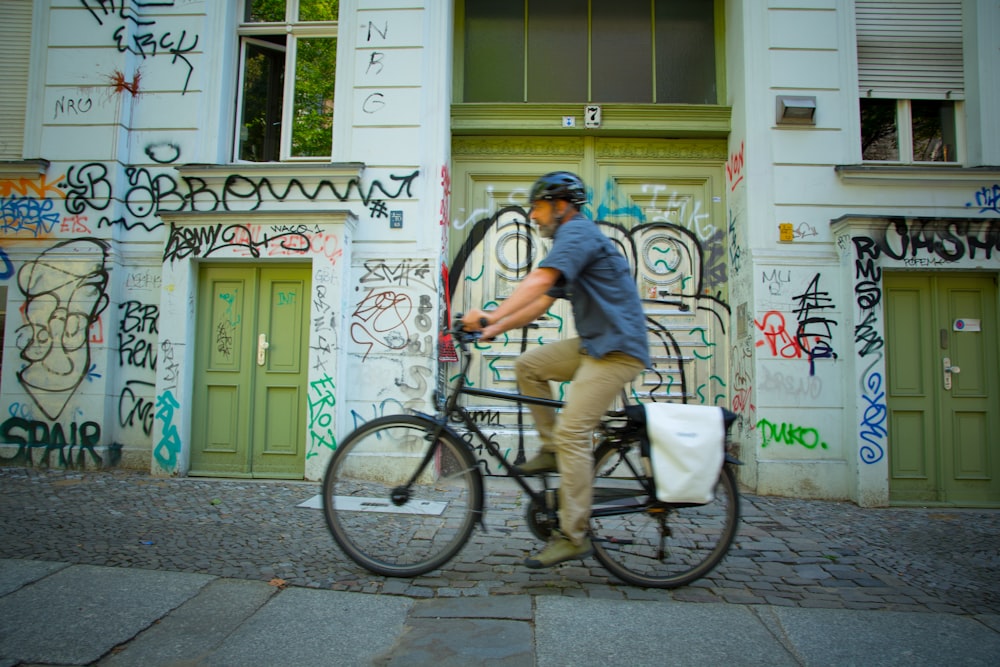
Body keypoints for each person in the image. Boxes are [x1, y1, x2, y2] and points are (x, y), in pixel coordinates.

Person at [462, 171, 650, 569]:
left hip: (617, 351)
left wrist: (490, 313)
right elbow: (542, 302)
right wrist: (494, 328)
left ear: (561, 205)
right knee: (529, 366)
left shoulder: (578, 234)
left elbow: (540, 280)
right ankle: (551, 449)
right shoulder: (573, 239)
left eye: (537, 206)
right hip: (594, 344)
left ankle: (573, 534)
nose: (532, 215)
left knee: (574, 432)